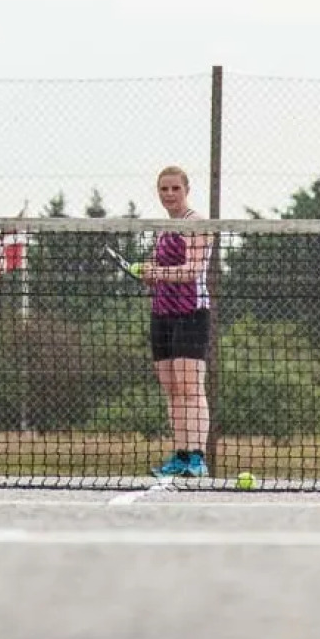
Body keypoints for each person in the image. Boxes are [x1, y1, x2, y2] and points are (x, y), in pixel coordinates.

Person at [135, 166, 213, 478]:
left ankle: (197, 457)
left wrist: (158, 273)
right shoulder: (162, 228)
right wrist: (147, 275)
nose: (169, 194)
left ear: (186, 190)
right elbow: (159, 273)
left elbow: (192, 270)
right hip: (162, 313)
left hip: (191, 312)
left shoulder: (196, 225)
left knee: (190, 387)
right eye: (164, 189)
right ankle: (180, 455)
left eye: (175, 189)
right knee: (171, 389)